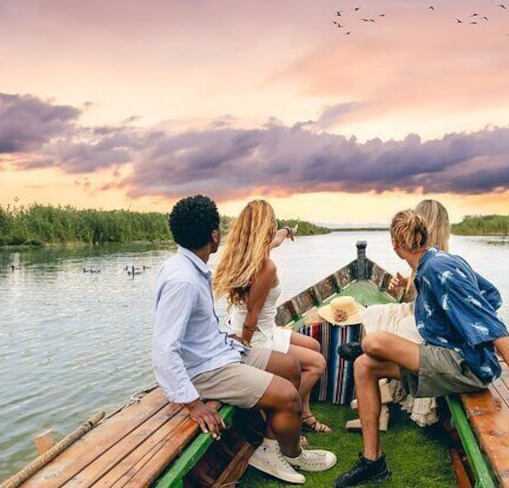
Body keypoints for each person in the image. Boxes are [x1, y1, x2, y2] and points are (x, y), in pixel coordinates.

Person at [333, 209, 509, 488]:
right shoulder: (437, 262)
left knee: (374, 342)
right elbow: (491, 294)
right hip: (447, 357)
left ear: (395, 242)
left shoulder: (438, 269)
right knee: (363, 366)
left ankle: (367, 349)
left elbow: (489, 320)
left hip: (469, 366)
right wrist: (453, 326)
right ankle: (373, 462)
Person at [151, 195, 336, 485]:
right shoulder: (182, 281)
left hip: (221, 351)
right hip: (205, 371)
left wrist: (228, 339)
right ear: (214, 235)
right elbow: (163, 349)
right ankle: (291, 453)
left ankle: (272, 447)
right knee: (287, 396)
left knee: (290, 367)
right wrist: (193, 404)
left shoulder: (189, 266)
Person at [214, 199, 332, 434]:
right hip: (253, 334)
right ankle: (286, 415)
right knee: (317, 364)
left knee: (314, 345)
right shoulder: (265, 266)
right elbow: (251, 315)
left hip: (265, 329)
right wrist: (245, 347)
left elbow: (277, 237)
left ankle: (304, 413)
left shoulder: (253, 250)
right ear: (264, 227)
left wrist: (288, 231)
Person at [347, 199, 450, 430]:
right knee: (372, 314)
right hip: (418, 310)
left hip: (429, 321)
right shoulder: (422, 257)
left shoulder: (440, 261)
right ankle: (380, 403)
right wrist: (403, 286)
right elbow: (418, 298)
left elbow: (435, 309)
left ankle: (377, 392)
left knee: (402, 325)